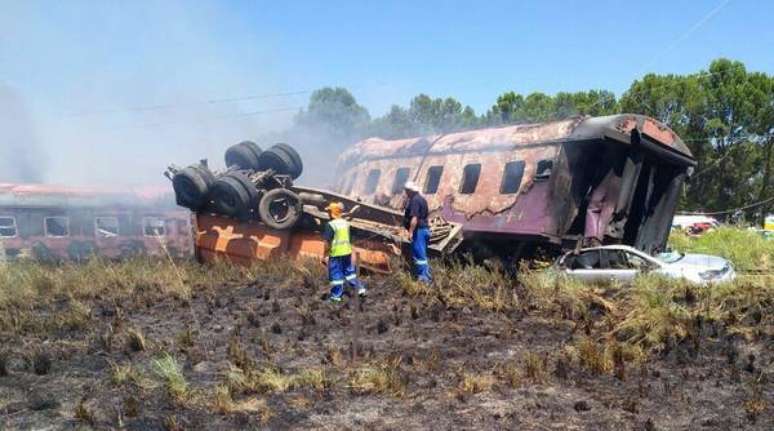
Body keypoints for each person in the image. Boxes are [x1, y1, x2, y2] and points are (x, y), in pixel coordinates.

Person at [322, 202, 366, 303]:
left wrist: (325, 255)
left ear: (332, 212)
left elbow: (327, 242)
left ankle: (336, 297)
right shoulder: (346, 223)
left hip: (336, 254)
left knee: (336, 276)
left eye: (329, 211)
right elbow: (350, 240)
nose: (328, 213)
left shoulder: (331, 225)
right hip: (347, 253)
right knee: (350, 273)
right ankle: (360, 289)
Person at [402, 181, 431, 283]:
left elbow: (414, 218)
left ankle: (424, 279)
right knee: (421, 254)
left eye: (406, 191)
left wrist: (410, 232)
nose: (406, 193)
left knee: (420, 256)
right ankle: (424, 275)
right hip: (424, 230)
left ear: (410, 191)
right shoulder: (422, 199)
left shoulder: (415, 200)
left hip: (419, 231)